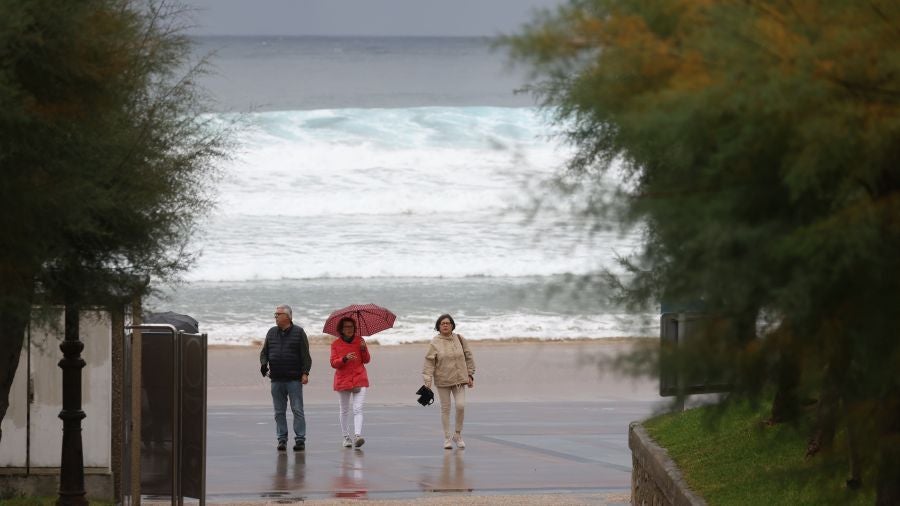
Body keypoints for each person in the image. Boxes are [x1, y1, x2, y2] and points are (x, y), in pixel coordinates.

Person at [260, 304, 312, 452]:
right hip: (276, 379)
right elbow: (264, 352)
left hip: (294, 379)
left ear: (288, 317)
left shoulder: (299, 332)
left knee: (297, 410)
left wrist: (305, 373)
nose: (275, 317)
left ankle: (300, 440)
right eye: (275, 314)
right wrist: (263, 364)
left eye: (278, 314)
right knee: (279, 412)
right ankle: (282, 439)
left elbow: (306, 356)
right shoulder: (271, 332)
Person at [422, 313, 475, 450]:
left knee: (460, 406)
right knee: (445, 409)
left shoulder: (460, 339)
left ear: (452, 325)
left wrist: (470, 374)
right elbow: (429, 361)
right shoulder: (435, 342)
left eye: (448, 323)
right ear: (438, 326)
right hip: (443, 380)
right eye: (442, 323)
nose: (445, 325)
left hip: (459, 379)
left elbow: (468, 356)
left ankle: (457, 434)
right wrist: (427, 379)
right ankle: (447, 438)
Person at [330, 317, 371, 449]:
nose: (349, 329)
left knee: (358, 409)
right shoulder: (335, 344)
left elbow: (366, 360)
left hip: (359, 378)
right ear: (341, 329)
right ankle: (346, 437)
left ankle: (358, 436)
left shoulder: (360, 341)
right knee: (344, 410)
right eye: (346, 327)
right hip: (343, 380)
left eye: (352, 327)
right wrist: (344, 359)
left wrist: (363, 349)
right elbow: (333, 363)